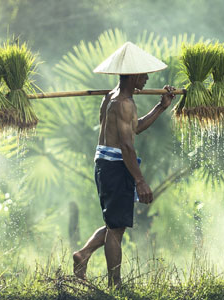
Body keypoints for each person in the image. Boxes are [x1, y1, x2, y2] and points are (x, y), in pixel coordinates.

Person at [72, 42, 175, 288]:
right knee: (117, 230)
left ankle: (83, 255)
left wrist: (161, 107)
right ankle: (114, 284)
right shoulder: (124, 103)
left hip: (104, 164)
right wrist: (140, 181)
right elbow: (127, 147)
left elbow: (134, 127)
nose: (148, 78)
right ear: (133, 75)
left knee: (113, 223)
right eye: (144, 73)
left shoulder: (111, 97)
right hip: (116, 167)